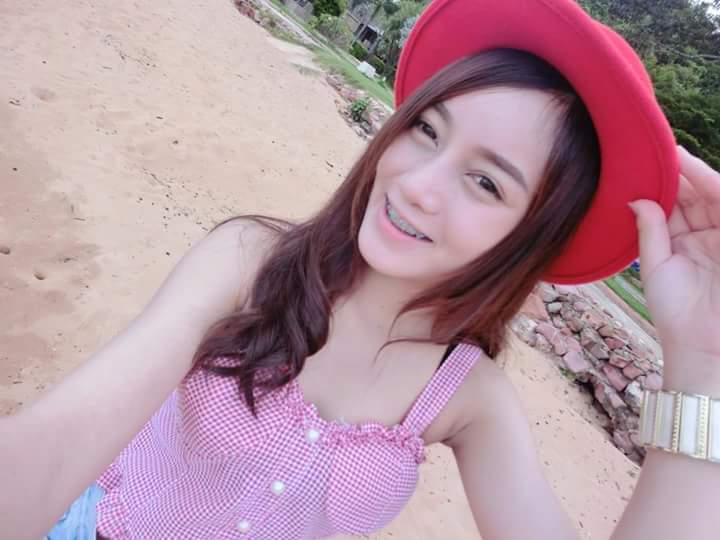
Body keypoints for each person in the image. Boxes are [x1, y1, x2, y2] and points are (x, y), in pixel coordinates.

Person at [1, 0, 719, 538]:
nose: (416, 184)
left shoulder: (468, 399)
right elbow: (64, 438)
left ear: (532, 237)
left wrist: (701, 365)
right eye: (427, 130)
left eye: (485, 182)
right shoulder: (249, 263)